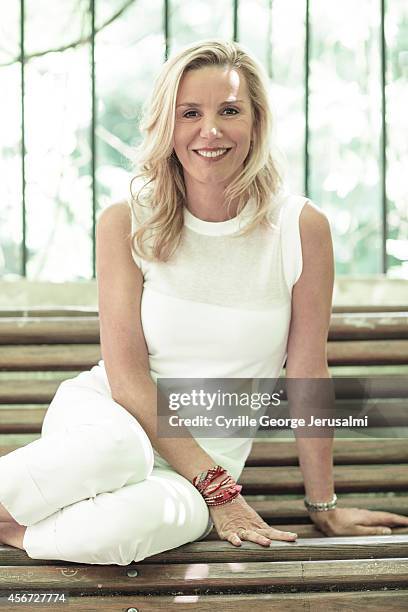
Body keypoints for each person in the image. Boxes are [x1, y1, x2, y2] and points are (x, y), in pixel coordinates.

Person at [1, 39, 407, 565]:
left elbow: (309, 371)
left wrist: (322, 504)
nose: (209, 131)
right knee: (115, 451)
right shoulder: (128, 220)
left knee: (124, 532)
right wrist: (219, 490)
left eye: (229, 111)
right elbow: (127, 380)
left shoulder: (300, 228)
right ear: (167, 127)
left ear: (256, 123)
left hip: (204, 470)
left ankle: (13, 529)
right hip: (111, 422)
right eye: (189, 113)